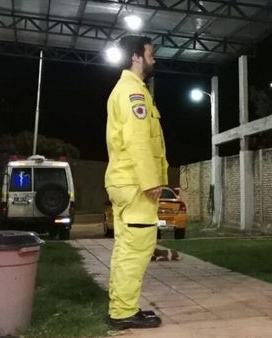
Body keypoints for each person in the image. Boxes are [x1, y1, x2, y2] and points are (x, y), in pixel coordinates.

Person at [104, 35, 168, 329]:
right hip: (134, 183)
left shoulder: (130, 89)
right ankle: (123, 312)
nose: (153, 58)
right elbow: (138, 141)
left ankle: (122, 306)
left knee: (125, 248)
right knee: (137, 249)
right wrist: (151, 182)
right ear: (136, 56)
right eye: (150, 53)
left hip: (124, 181)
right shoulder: (133, 93)